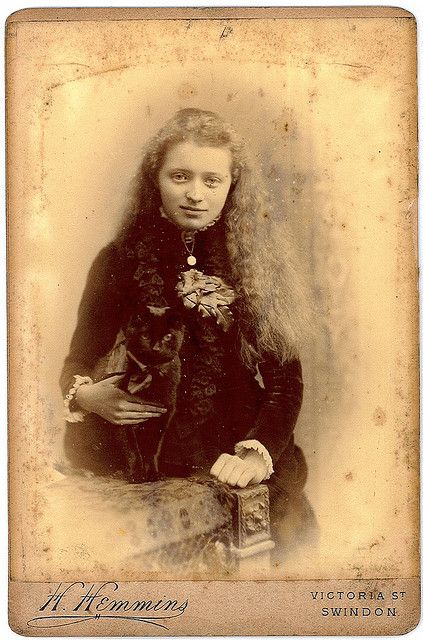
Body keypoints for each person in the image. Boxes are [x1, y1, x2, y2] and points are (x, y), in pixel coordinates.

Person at [60, 108, 317, 552]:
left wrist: (257, 453)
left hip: (230, 457)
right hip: (140, 461)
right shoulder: (118, 260)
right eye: (180, 176)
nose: (195, 194)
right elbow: (77, 361)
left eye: (211, 180)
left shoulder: (256, 266)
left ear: (231, 185)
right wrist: (86, 396)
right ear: (154, 180)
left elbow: (285, 382)